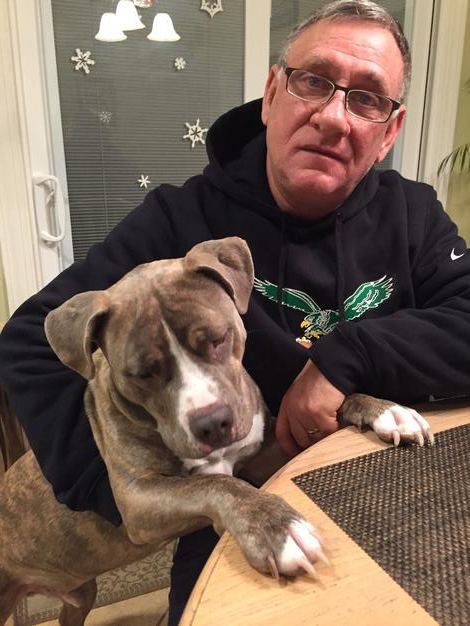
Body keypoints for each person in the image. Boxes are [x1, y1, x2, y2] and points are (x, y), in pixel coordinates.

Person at [1, 0, 469, 623]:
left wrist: (343, 361)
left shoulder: (414, 215)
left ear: (390, 130)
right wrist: (122, 485)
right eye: (314, 81)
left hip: (387, 472)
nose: (333, 116)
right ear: (272, 94)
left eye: (366, 99)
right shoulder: (177, 222)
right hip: (234, 495)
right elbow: (28, 342)